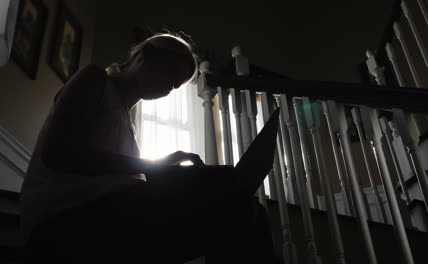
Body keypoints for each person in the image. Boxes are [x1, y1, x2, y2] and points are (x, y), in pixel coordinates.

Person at [20, 32, 276, 263]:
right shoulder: (94, 78)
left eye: (175, 85)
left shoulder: (127, 127)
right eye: (169, 73)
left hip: (102, 220)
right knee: (227, 198)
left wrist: (159, 171)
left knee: (245, 209)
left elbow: (117, 180)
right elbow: (58, 152)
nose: (167, 87)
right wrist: (153, 166)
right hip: (59, 226)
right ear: (145, 54)